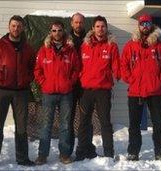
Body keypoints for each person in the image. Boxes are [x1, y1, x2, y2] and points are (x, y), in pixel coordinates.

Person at [0, 15, 35, 169]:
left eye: (19, 26)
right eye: (13, 26)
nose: (16, 29)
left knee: (22, 126)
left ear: (23, 28)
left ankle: (23, 157)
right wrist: (1, 76)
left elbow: (33, 67)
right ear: (9, 27)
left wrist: (27, 78)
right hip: (2, 90)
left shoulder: (28, 48)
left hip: (21, 92)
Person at [121, 14, 161, 161]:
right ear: (138, 26)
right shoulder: (131, 45)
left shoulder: (160, 45)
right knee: (134, 125)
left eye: (147, 24)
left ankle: (159, 151)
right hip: (135, 91)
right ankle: (133, 151)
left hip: (154, 90)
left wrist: (159, 79)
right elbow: (123, 64)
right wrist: (131, 79)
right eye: (142, 24)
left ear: (151, 25)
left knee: (158, 123)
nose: (145, 27)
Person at [34, 20, 80, 165]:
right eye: (54, 30)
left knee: (65, 125)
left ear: (63, 31)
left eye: (59, 30)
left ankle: (65, 154)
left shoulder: (70, 50)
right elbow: (37, 70)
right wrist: (44, 83)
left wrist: (69, 82)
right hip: (48, 94)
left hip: (66, 94)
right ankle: (42, 155)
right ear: (50, 32)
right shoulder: (44, 50)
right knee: (46, 125)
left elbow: (76, 70)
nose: (57, 33)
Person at [75, 15, 120, 161]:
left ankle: (108, 153)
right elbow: (78, 66)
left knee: (105, 123)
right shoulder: (85, 45)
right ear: (93, 29)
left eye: (103, 26)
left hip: (103, 90)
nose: (100, 29)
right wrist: (81, 77)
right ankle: (82, 152)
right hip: (86, 91)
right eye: (98, 26)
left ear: (106, 28)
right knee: (84, 123)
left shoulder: (111, 46)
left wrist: (120, 75)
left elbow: (116, 67)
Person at [68, 12, 93, 155]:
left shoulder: (89, 39)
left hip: (85, 85)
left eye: (81, 22)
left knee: (85, 119)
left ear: (84, 24)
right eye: (76, 22)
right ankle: (68, 150)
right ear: (71, 23)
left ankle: (85, 148)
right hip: (70, 85)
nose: (78, 25)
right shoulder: (66, 39)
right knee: (68, 119)